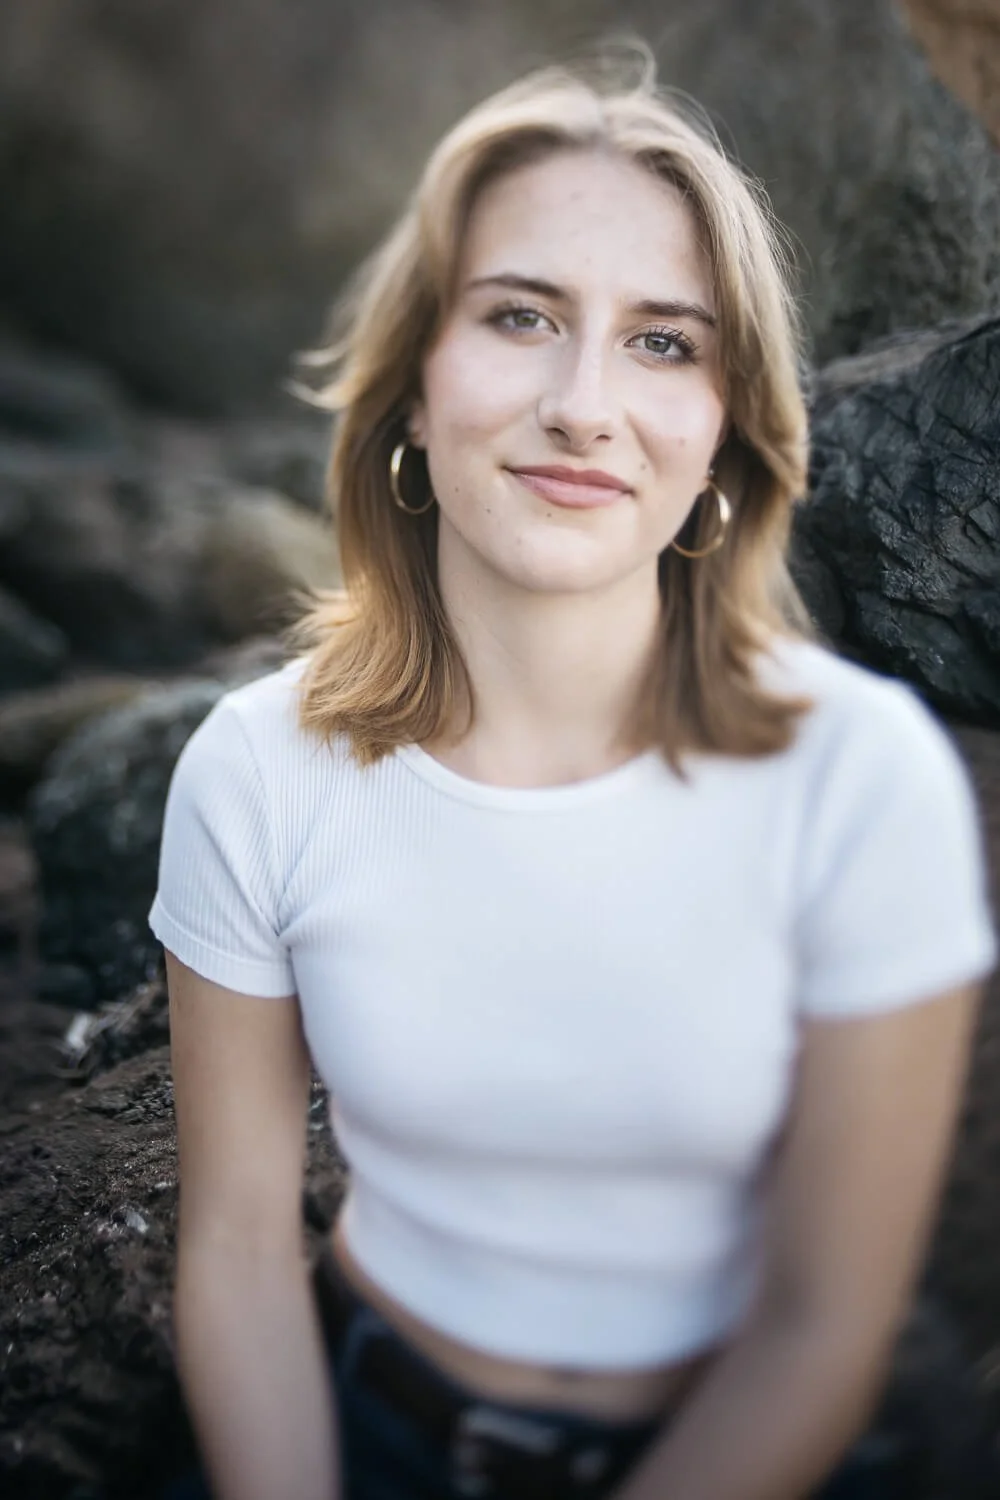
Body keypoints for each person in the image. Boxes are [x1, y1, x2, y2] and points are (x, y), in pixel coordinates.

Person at [149, 48, 998, 1500]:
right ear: (415, 384)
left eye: (666, 341)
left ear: (728, 427)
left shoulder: (860, 783)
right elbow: (232, 1245)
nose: (582, 403)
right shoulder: (257, 769)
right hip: (356, 1427)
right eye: (520, 317)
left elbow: (823, 1325)